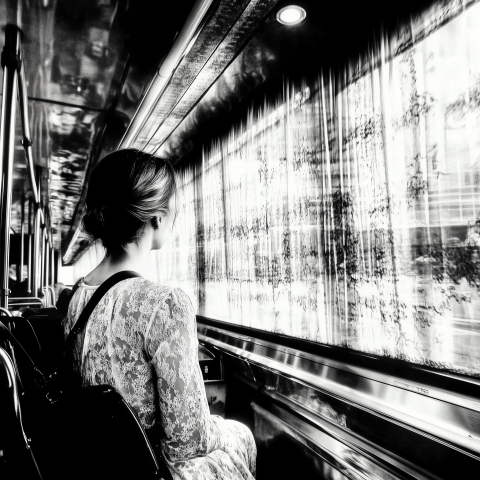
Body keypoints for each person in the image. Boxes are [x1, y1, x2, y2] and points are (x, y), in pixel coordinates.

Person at [62, 149, 256, 480]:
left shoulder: (78, 296)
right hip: (150, 468)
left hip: (98, 462)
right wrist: (228, 430)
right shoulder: (164, 304)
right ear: (157, 217)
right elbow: (187, 442)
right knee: (242, 436)